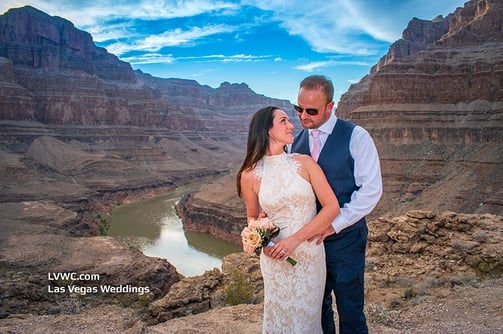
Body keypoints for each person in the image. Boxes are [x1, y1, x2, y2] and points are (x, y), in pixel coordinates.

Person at [290, 75, 383, 334]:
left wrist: (335, 224)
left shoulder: (356, 137)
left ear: (330, 107)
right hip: (310, 243)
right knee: (317, 308)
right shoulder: (294, 144)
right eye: (298, 109)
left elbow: (371, 191)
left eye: (311, 110)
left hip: (346, 240)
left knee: (350, 309)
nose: (303, 116)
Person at [236, 106, 341, 334]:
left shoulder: (305, 163)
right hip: (276, 261)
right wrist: (260, 242)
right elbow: (252, 217)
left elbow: (332, 207)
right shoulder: (249, 175)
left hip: (309, 256)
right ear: (267, 130)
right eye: (283, 121)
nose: (292, 125)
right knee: (279, 319)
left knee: (306, 322)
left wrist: (294, 240)